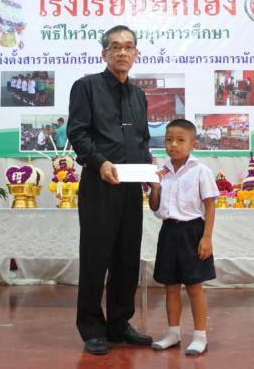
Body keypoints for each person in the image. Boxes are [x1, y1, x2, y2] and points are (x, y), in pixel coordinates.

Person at [67, 25, 152, 355]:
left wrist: (150, 173)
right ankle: (91, 327)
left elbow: (142, 140)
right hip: (99, 184)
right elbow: (78, 133)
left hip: (131, 187)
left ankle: (119, 323)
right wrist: (100, 162)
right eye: (115, 47)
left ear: (136, 53)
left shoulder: (138, 95)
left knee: (127, 258)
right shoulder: (86, 87)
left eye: (128, 47)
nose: (122, 52)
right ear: (104, 53)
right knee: (95, 257)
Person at [148, 119, 219, 356]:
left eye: (180, 140)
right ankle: (173, 333)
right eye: (169, 140)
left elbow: (210, 206)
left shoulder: (201, 171)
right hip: (168, 231)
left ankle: (200, 336)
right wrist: (154, 188)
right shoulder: (161, 172)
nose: (173, 145)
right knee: (170, 286)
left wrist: (206, 238)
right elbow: (155, 208)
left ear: (193, 144)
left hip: (193, 232)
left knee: (194, 287)